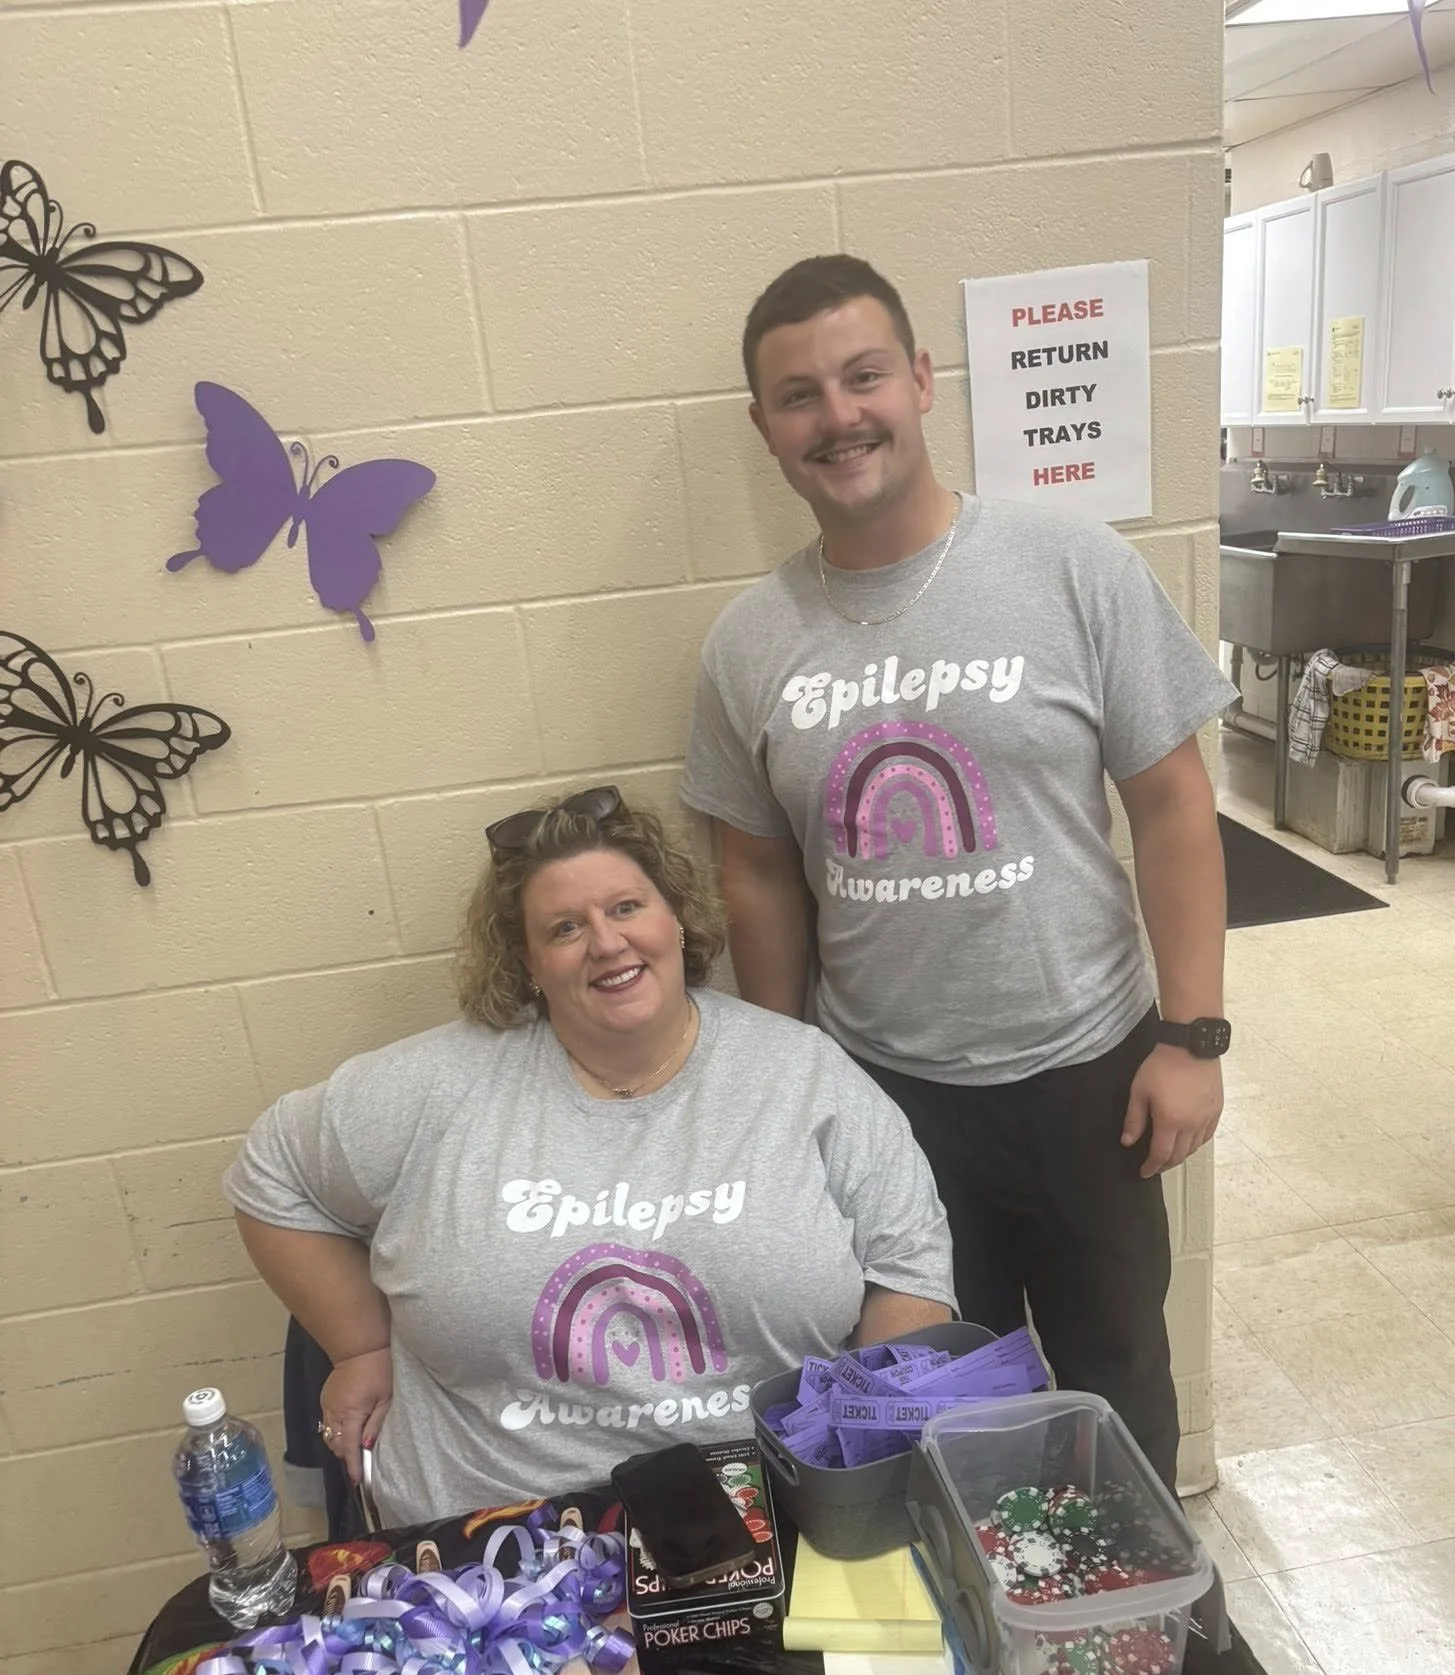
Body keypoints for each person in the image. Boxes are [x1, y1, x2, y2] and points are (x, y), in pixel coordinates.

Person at [683, 256, 1235, 1491]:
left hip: (1091, 1078)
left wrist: (1192, 1033)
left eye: (864, 375)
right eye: (799, 396)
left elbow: (1174, 805)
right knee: (927, 1411)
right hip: (890, 1101)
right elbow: (757, 874)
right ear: (765, 430)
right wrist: (786, 1084)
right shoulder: (748, 641)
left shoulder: (1068, 566)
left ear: (924, 381)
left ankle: (1131, 1652)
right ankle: (979, 1658)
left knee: (1116, 1392)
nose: (840, 416)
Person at [225, 786, 956, 1525]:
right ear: (528, 962)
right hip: (493, 1544)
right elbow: (270, 1177)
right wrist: (356, 1348)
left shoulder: (804, 1074)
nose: (607, 944)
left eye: (627, 908)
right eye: (566, 927)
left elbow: (909, 1265)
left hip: (764, 1516)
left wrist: (861, 1459)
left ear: (676, 916)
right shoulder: (435, 1087)